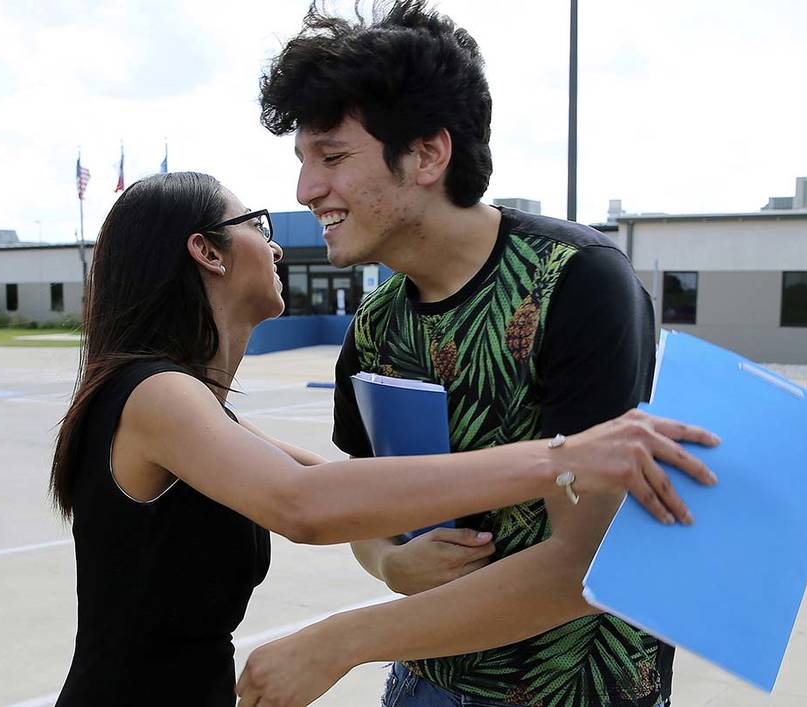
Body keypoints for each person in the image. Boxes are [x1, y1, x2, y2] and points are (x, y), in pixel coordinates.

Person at [51, 171, 718, 706]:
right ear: (206, 250)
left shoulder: (192, 408)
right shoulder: (154, 393)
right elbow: (304, 503)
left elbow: (350, 492)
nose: (277, 240)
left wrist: (390, 557)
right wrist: (561, 460)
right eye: (255, 226)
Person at [242, 2, 708, 706]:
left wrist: (342, 639)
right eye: (303, 161)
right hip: (425, 681)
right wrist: (393, 562)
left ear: (429, 153)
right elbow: (368, 505)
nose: (307, 190)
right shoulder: (375, 325)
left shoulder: (575, 280)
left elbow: (588, 563)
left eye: (332, 156)